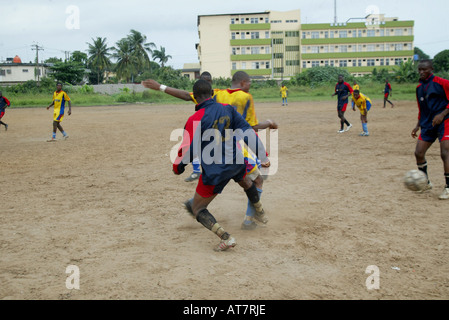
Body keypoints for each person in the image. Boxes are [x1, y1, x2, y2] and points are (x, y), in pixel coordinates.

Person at [173, 79, 269, 251]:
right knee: (246, 182)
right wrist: (262, 155)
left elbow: (187, 150)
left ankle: (227, 238)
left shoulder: (194, 119)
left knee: (197, 208)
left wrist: (178, 167)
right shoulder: (228, 109)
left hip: (215, 171)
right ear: (212, 94)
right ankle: (261, 213)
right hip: (236, 162)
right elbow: (247, 132)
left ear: (194, 97)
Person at [213, 71, 277, 230]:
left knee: (218, 182)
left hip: (215, 145)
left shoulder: (217, 94)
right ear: (242, 83)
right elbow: (252, 127)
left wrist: (161, 87)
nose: (250, 86)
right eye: (249, 82)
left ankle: (195, 206)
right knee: (257, 180)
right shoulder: (245, 97)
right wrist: (269, 122)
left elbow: (189, 95)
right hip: (235, 147)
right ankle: (249, 220)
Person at [141, 72, 218, 182]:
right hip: (206, 125)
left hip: (220, 128)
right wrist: (160, 87)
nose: (205, 83)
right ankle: (197, 171)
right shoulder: (200, 94)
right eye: (203, 80)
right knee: (196, 145)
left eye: (208, 81)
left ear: (211, 83)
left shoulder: (219, 94)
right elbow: (186, 95)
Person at [411, 60, 449, 200]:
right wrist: (417, 125)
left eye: (424, 69)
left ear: (431, 69)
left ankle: (448, 187)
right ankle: (425, 182)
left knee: (445, 153)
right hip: (427, 124)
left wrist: (442, 114)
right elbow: (422, 109)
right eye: (419, 69)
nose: (421, 72)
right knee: (418, 153)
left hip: (445, 121)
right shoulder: (419, 88)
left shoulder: (442, 83)